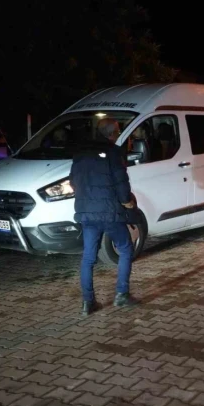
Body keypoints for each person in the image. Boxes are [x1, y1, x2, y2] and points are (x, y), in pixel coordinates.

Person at [69, 118, 139, 316]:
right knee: (125, 248)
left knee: (88, 258)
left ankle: (88, 302)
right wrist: (127, 202)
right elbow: (121, 183)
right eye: (118, 131)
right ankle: (122, 294)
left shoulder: (80, 153)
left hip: (86, 212)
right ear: (112, 133)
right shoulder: (113, 152)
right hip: (109, 213)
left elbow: (73, 182)